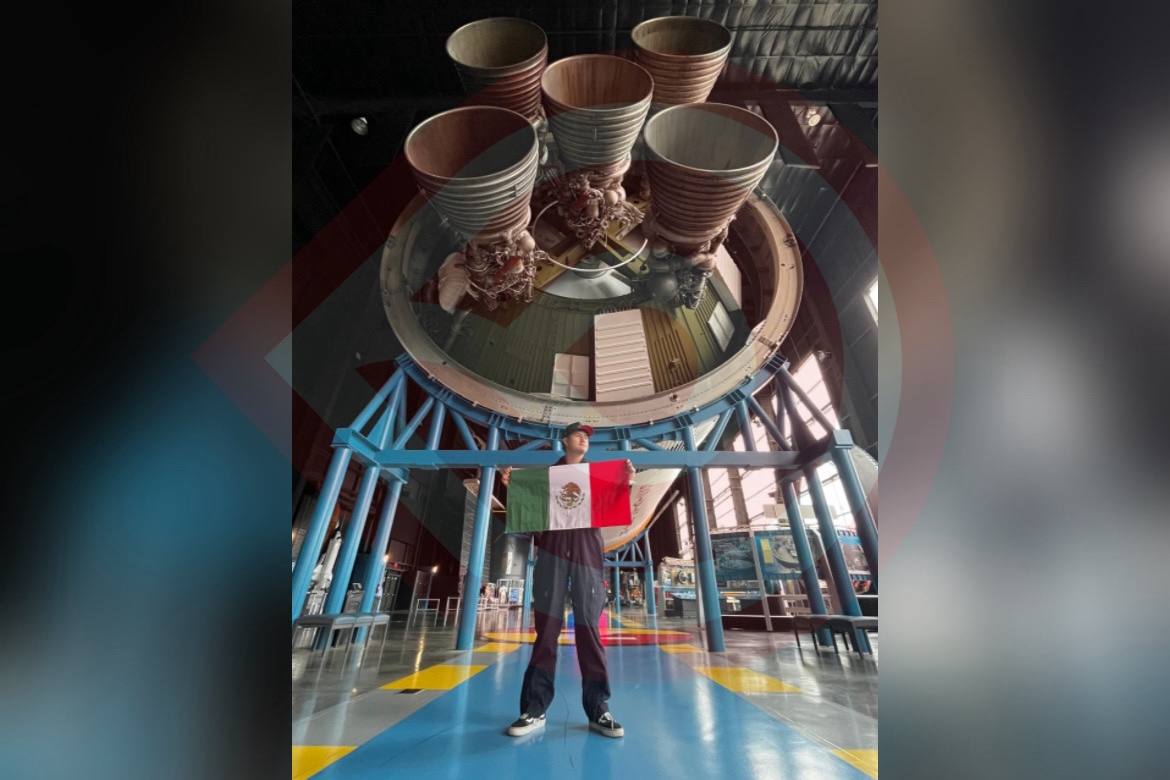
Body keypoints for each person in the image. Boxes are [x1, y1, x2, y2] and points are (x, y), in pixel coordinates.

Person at [500, 422, 635, 739]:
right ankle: (534, 709)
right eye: (577, 434)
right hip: (553, 554)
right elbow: (530, 514)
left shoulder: (598, 477)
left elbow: (612, 506)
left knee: (590, 632)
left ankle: (598, 709)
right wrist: (513, 488)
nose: (583, 438)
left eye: (586, 436)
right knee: (546, 633)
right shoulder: (546, 478)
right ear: (564, 441)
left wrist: (625, 483)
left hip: (588, 556)